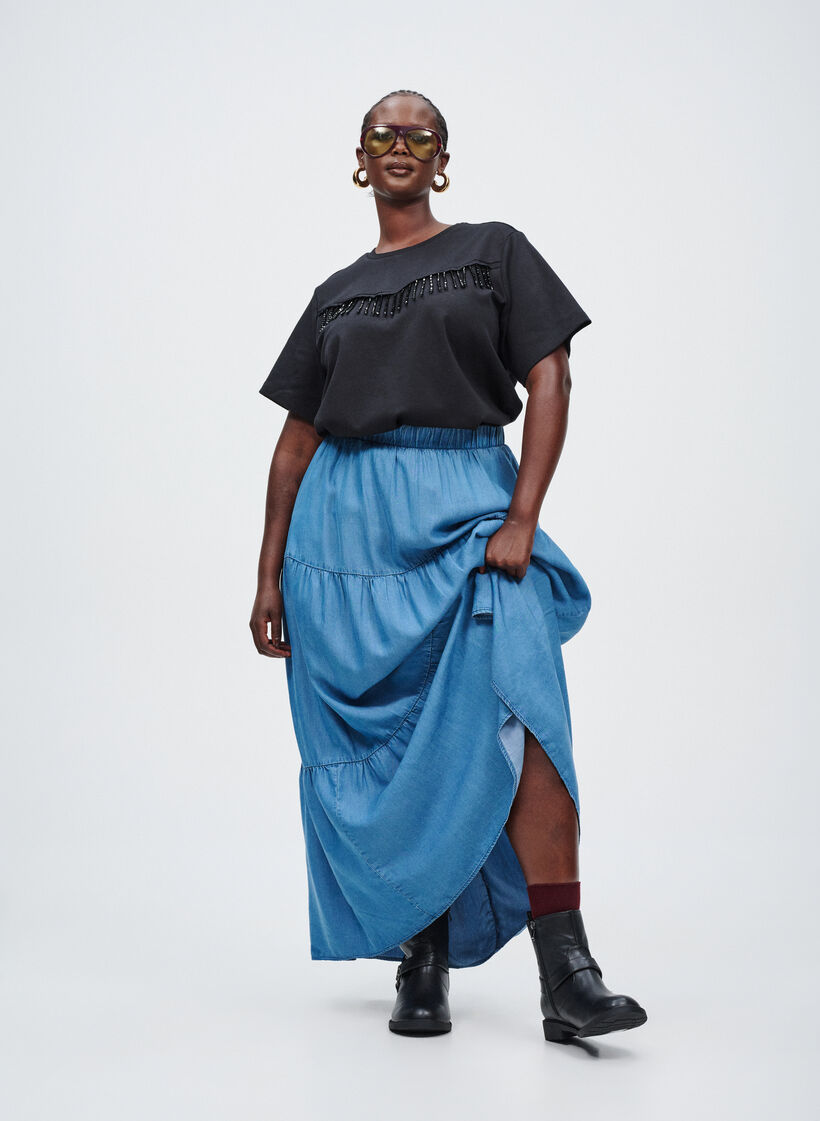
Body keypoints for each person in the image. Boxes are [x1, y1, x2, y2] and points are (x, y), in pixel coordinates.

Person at [250, 88, 647, 1043]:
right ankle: (419, 960)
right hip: (342, 547)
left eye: (418, 133)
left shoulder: (492, 250)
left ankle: (567, 969)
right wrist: (267, 576)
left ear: (441, 156)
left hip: (468, 511)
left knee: (526, 710)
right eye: (382, 133)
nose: (400, 144)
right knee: (394, 758)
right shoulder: (335, 293)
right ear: (360, 157)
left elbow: (550, 373)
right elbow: (296, 444)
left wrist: (523, 515)